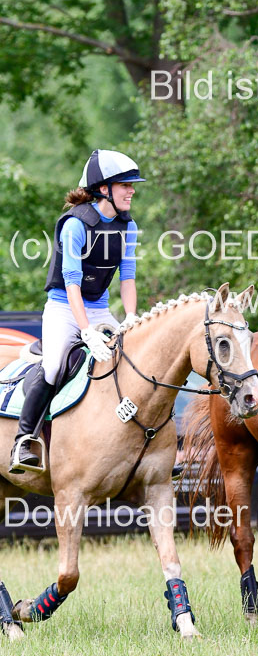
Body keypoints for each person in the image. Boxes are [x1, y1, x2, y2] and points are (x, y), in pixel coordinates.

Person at [9, 149, 143, 474]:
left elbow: (128, 277)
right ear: (103, 188)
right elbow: (72, 284)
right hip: (64, 310)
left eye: (132, 185)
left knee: (136, 360)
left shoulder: (128, 226)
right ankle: (23, 440)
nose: (132, 190)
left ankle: (144, 445)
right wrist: (85, 330)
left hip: (101, 310)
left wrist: (131, 317)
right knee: (54, 365)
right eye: (125, 184)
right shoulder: (75, 225)